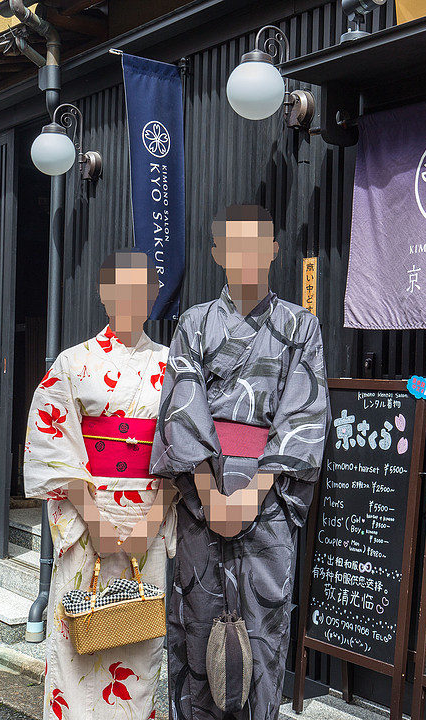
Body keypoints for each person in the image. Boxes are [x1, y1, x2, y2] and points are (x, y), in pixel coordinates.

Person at [151, 205, 330, 720]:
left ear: (274, 250)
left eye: (258, 245)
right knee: (196, 624)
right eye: (234, 246)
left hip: (268, 500)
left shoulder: (301, 326)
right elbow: (182, 405)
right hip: (201, 497)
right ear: (217, 254)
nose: (246, 257)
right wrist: (210, 494)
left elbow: (304, 411)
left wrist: (251, 495)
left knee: (263, 628)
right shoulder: (193, 323)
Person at [25, 250, 176, 720]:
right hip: (87, 522)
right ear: (103, 293)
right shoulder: (73, 364)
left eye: (143, 288)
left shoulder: (174, 366)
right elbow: (53, 448)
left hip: (147, 520)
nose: (133, 297)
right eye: (121, 287)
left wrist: (151, 523)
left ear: (155, 295)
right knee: (76, 651)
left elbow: (183, 454)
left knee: (139, 653)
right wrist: (95, 522)